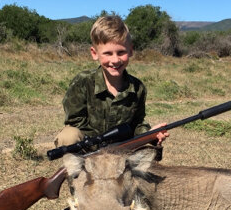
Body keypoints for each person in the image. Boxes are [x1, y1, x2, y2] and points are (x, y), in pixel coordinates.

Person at [54, 15, 168, 148]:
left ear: (130, 51)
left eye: (121, 52)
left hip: (122, 150)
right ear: (94, 53)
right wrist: (100, 146)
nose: (115, 60)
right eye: (108, 53)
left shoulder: (138, 88)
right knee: (69, 136)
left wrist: (149, 134)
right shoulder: (83, 82)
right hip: (88, 149)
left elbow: (137, 123)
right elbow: (75, 122)